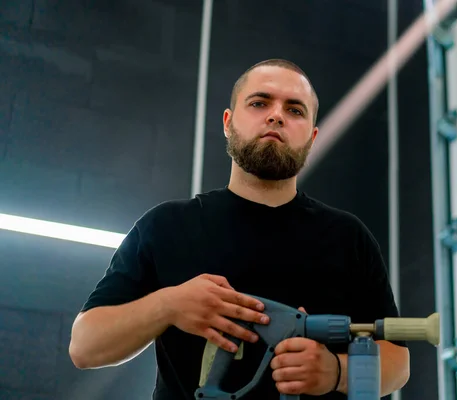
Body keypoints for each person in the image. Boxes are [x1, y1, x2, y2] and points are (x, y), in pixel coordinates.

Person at [69, 58, 410, 399]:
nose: (276, 115)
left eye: (295, 110)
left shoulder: (349, 238)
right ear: (228, 123)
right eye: (259, 103)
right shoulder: (166, 226)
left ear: (312, 136)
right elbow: (85, 346)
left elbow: (398, 364)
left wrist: (337, 372)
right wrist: (168, 305)